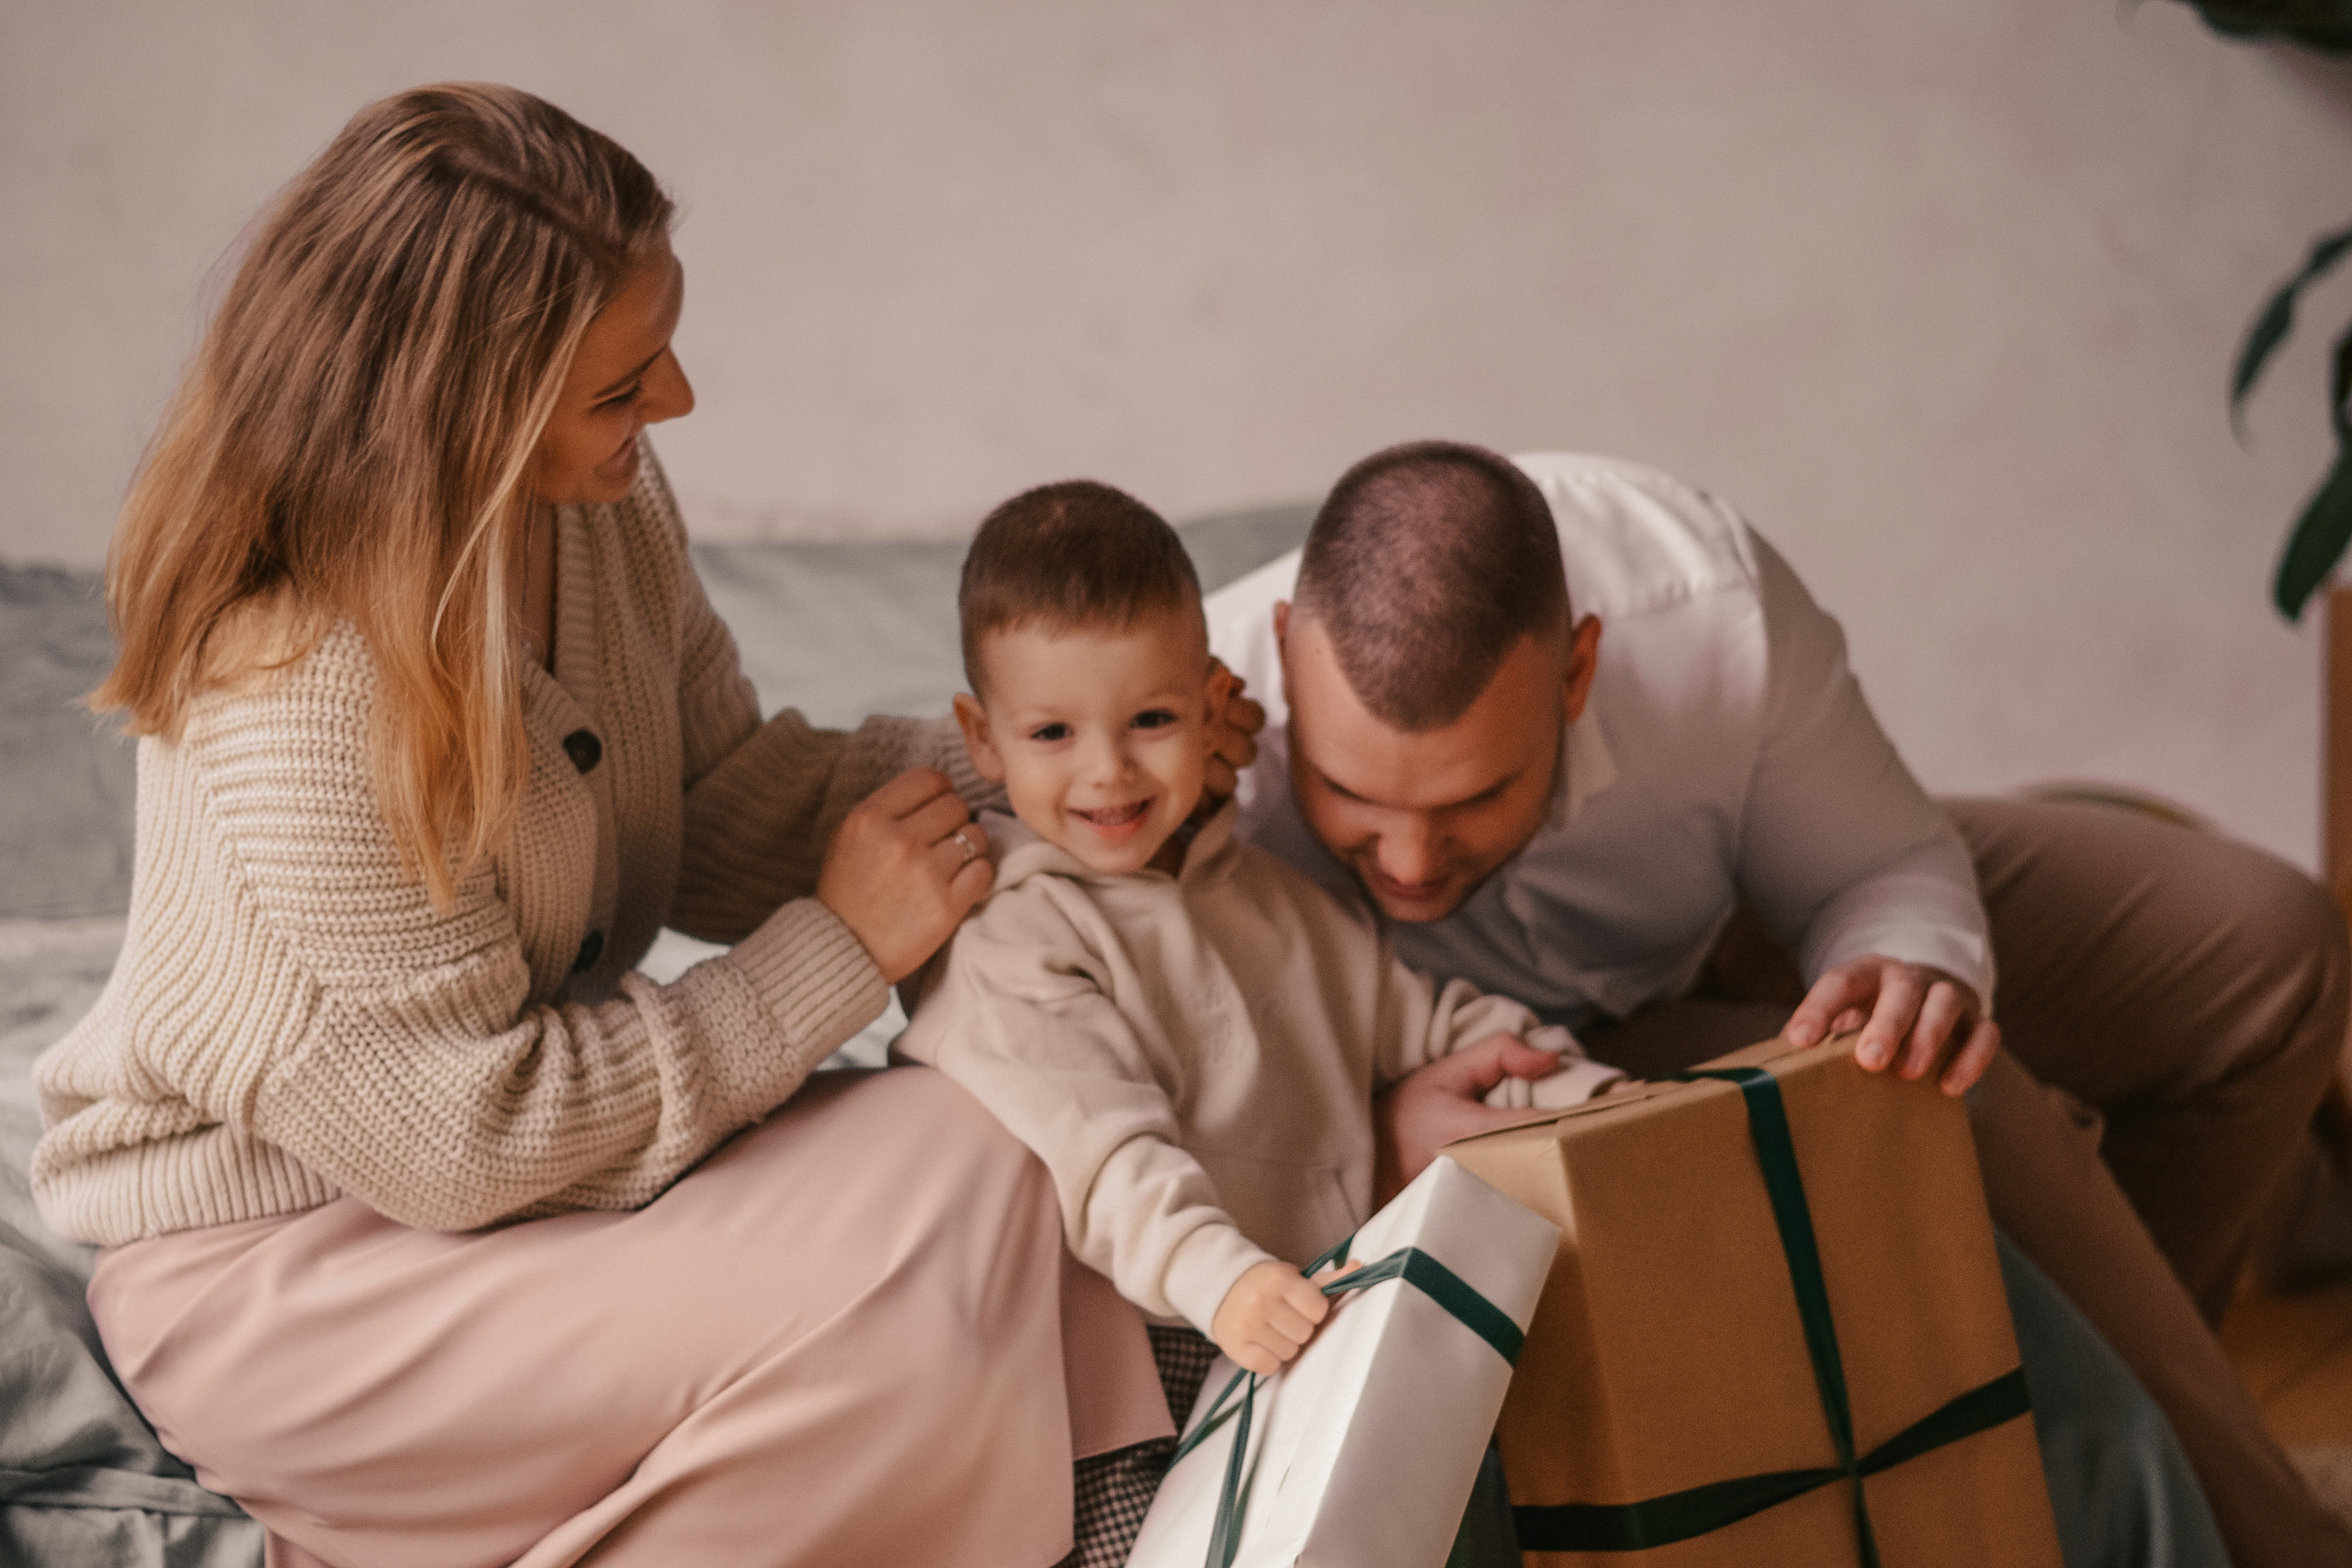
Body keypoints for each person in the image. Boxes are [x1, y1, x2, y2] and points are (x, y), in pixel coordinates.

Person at [30, 84, 1194, 1568]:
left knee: (1004, 1126)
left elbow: (710, 794)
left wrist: (1062, 767)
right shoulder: (298, 688)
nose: (678, 403)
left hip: (514, 1203)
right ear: (464, 415)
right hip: (299, 1273)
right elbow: (468, 1136)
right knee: (920, 1256)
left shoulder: (594, 503)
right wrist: (835, 948)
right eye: (620, 384)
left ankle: (1118, 1510)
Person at [1207, 438, 2352, 1566]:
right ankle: (2250, 1526)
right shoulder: (1187, 717)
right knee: (1950, 1105)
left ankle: (2096, 1441)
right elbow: (1082, 1028)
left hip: (1743, 921)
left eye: (1472, 796)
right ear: (1279, 654)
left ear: (1576, 671)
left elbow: (1879, 869)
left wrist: (1911, 960)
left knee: (2267, 950)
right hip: (1516, 1059)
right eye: (1348, 796)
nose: (1405, 860)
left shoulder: (1705, 606)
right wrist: (1360, 1127)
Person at [896, 479, 1621, 1375]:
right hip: (1143, 1346)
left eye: (1151, 720)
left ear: (1211, 705)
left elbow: (1444, 1031)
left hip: (1333, 1315)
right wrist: (1222, 1281)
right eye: (1052, 733)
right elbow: (1103, 1161)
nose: (1108, 770)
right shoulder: (1014, 938)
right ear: (980, 738)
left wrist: (1592, 1099)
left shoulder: (1289, 906)